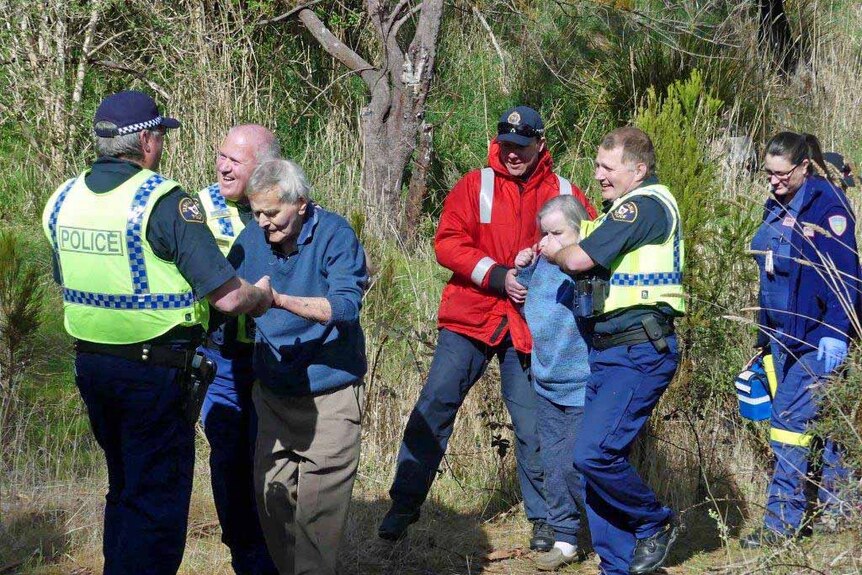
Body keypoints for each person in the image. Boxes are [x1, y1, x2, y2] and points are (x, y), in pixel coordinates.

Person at [41, 91, 274, 575]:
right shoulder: (163, 201)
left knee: (123, 488)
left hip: (92, 368)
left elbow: (70, 279)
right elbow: (227, 298)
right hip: (155, 376)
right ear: (146, 139)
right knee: (156, 502)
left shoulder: (63, 198)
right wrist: (262, 295)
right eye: (160, 136)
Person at [378, 105, 596, 550]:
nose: (512, 154)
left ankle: (546, 522)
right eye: (506, 146)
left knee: (533, 425)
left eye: (521, 147)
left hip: (531, 327)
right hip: (470, 316)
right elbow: (448, 243)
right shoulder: (475, 184)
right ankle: (402, 507)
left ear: (540, 145)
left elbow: (589, 242)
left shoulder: (566, 192)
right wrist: (500, 276)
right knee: (436, 404)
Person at [543, 126, 685, 575]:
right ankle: (617, 567)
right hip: (611, 352)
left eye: (608, 167)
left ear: (638, 169)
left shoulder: (644, 206)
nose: (598, 174)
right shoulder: (614, 213)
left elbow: (581, 259)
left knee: (592, 453)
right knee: (594, 465)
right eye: (597, 164)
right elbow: (581, 243)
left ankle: (655, 522)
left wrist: (560, 253)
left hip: (639, 350)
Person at [229, 158, 367, 575]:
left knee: (317, 521)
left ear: (301, 203)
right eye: (257, 213)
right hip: (273, 392)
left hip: (330, 395)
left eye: (273, 213)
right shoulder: (252, 236)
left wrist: (277, 301)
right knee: (271, 500)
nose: (265, 223)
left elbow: (345, 306)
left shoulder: (335, 234)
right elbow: (224, 285)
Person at [740, 132, 859, 548]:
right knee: (821, 424)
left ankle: (781, 524)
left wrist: (835, 332)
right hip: (780, 337)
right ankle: (841, 508)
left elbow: (847, 275)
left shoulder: (828, 206)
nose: (772, 182)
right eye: (767, 174)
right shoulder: (777, 202)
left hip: (814, 337)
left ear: (804, 167)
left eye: (781, 174)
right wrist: (761, 338)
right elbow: (769, 271)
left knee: (789, 423)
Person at [196, 125, 280, 575]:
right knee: (228, 455)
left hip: (278, 355)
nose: (224, 166)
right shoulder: (196, 209)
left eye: (236, 160)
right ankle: (245, 553)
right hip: (224, 355)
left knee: (273, 455)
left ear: (264, 169)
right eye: (221, 156)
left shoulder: (289, 201)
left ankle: (281, 546)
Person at [514, 195, 592, 571]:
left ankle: (612, 530)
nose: (546, 242)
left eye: (556, 233)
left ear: (581, 231)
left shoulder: (588, 270)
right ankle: (565, 538)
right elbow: (527, 302)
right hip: (545, 383)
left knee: (577, 465)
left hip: (582, 386)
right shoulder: (542, 264)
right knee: (553, 463)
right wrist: (522, 268)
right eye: (543, 233)